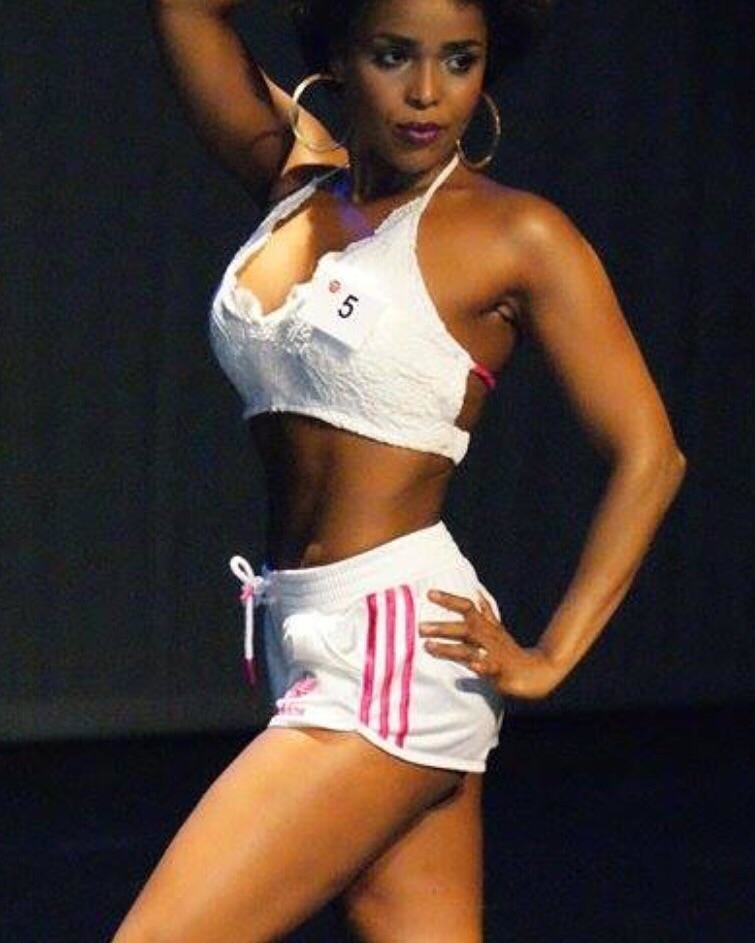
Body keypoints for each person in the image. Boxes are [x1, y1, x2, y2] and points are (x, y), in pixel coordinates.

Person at [113, 1, 687, 940]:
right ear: (340, 58)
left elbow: (649, 454)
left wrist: (552, 656)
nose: (427, 93)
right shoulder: (297, 182)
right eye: (392, 56)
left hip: (394, 647)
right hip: (301, 630)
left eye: (458, 60)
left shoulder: (515, 234)